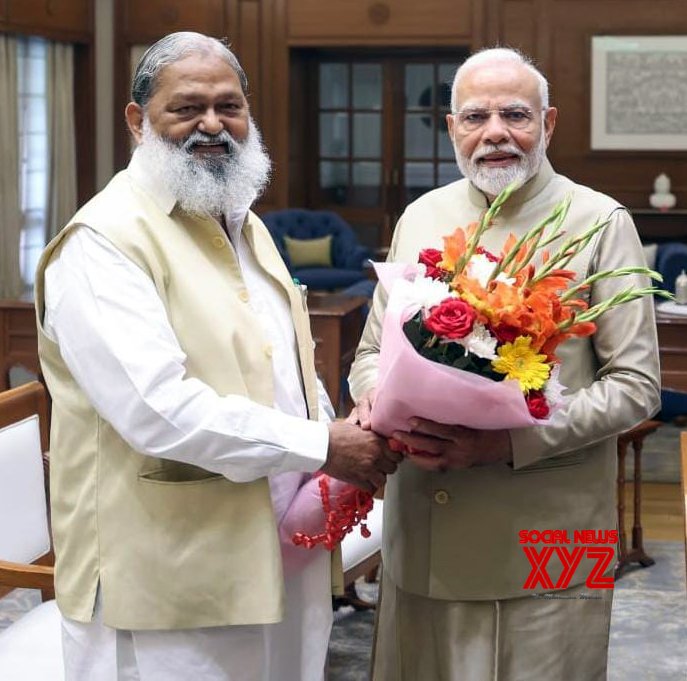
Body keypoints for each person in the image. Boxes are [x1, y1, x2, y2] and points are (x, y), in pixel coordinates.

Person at [34, 31, 399, 681]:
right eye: (186, 107)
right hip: (166, 572)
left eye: (229, 105)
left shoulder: (239, 219)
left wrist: (347, 429)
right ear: (136, 119)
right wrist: (324, 443)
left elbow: (284, 358)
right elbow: (156, 411)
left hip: (277, 546)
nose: (211, 123)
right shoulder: (104, 241)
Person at [349, 47, 660, 680]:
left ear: (548, 124)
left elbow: (637, 387)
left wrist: (507, 442)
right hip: (427, 518)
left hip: (555, 528)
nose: (495, 133)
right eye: (475, 117)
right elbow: (371, 353)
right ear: (451, 129)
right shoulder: (421, 217)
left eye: (515, 115)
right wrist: (372, 401)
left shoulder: (600, 221)